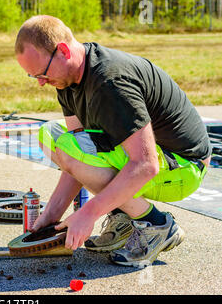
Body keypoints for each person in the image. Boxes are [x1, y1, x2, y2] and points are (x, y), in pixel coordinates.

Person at [15, 15, 211, 267]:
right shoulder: (66, 81)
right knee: (52, 135)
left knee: (67, 143)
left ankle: (156, 225)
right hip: (156, 159)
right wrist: (51, 216)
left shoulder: (110, 83)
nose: (41, 83)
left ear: (63, 51)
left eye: (41, 73)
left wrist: (89, 213)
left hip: (184, 167)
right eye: (34, 77)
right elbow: (75, 161)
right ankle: (124, 216)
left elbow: (145, 165)